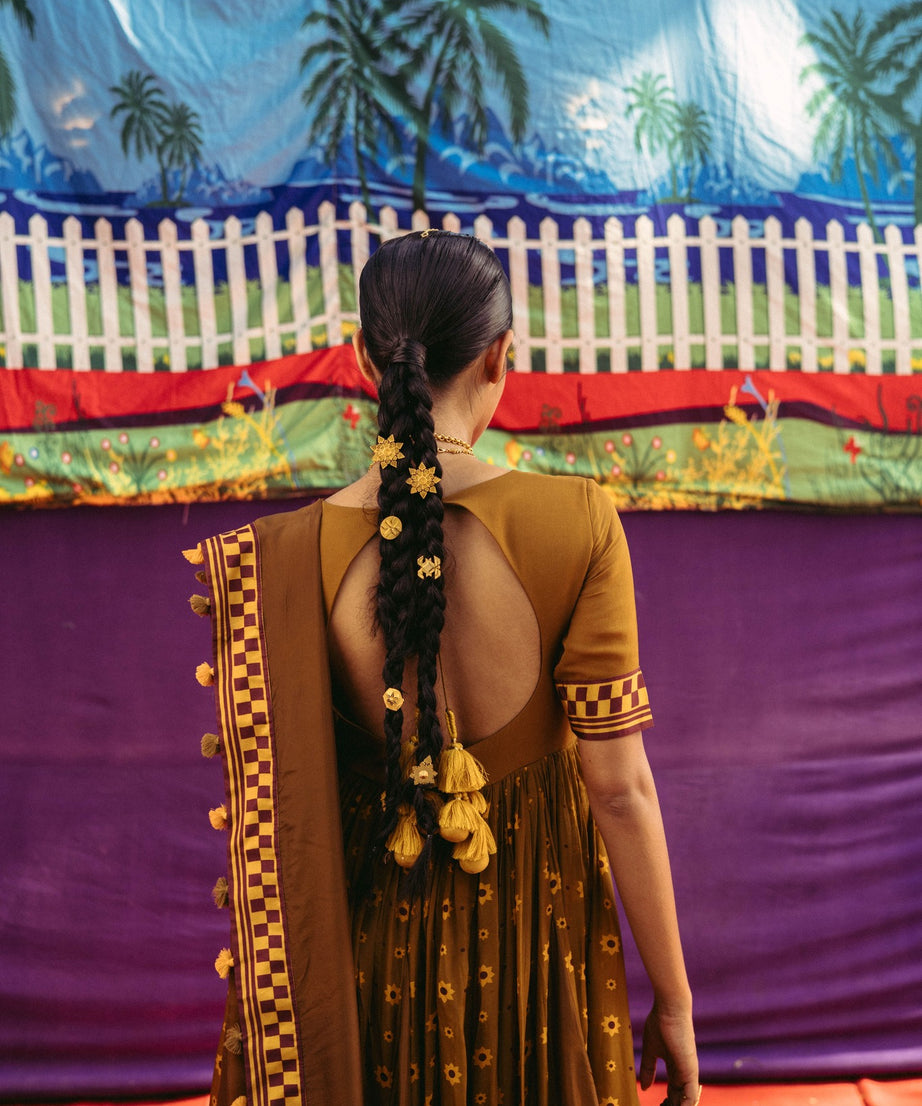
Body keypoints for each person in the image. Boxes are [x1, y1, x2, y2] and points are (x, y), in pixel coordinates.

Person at [192, 229, 698, 1106]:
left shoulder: (285, 557)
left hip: (360, 972)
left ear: (362, 359)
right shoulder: (579, 522)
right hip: (537, 962)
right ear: (501, 356)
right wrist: (678, 1002)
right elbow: (620, 790)